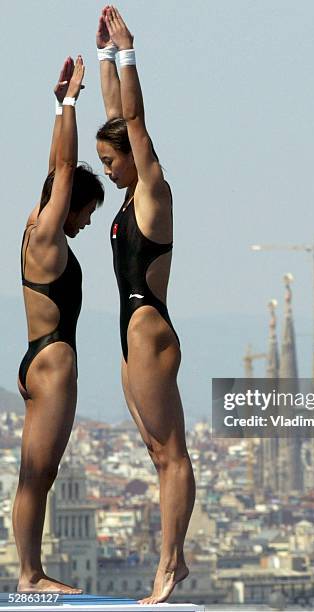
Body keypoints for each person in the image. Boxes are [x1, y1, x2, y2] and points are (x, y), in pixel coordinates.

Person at [95, 6, 195, 605]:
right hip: (133, 333)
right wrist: (104, 58)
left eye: (111, 163)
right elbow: (116, 118)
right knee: (157, 453)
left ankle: (170, 564)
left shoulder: (153, 189)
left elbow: (131, 118)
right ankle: (169, 563)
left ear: (136, 157)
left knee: (172, 454)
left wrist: (129, 53)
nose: (107, 172)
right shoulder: (131, 190)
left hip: (151, 329)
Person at [13, 56, 104, 593]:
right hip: (50, 365)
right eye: (86, 212)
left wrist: (57, 109)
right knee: (37, 478)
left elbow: (53, 174)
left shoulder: (36, 225)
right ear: (68, 207)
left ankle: (31, 571)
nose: (87, 221)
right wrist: (71, 103)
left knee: (35, 476)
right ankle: (30, 575)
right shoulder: (48, 239)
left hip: (38, 360)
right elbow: (65, 173)